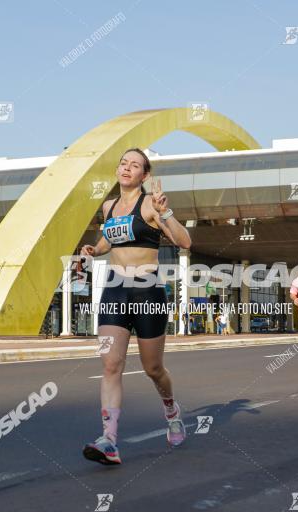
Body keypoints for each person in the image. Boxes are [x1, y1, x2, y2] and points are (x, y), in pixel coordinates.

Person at [79, 148, 192, 465]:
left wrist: (165, 213)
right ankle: (109, 440)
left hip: (148, 293)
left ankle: (170, 408)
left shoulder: (150, 205)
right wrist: (93, 248)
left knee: (152, 368)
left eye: (135, 165)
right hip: (114, 291)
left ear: (145, 175)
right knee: (110, 364)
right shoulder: (109, 206)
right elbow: (107, 241)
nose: (127, 168)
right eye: (123, 163)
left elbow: (185, 242)